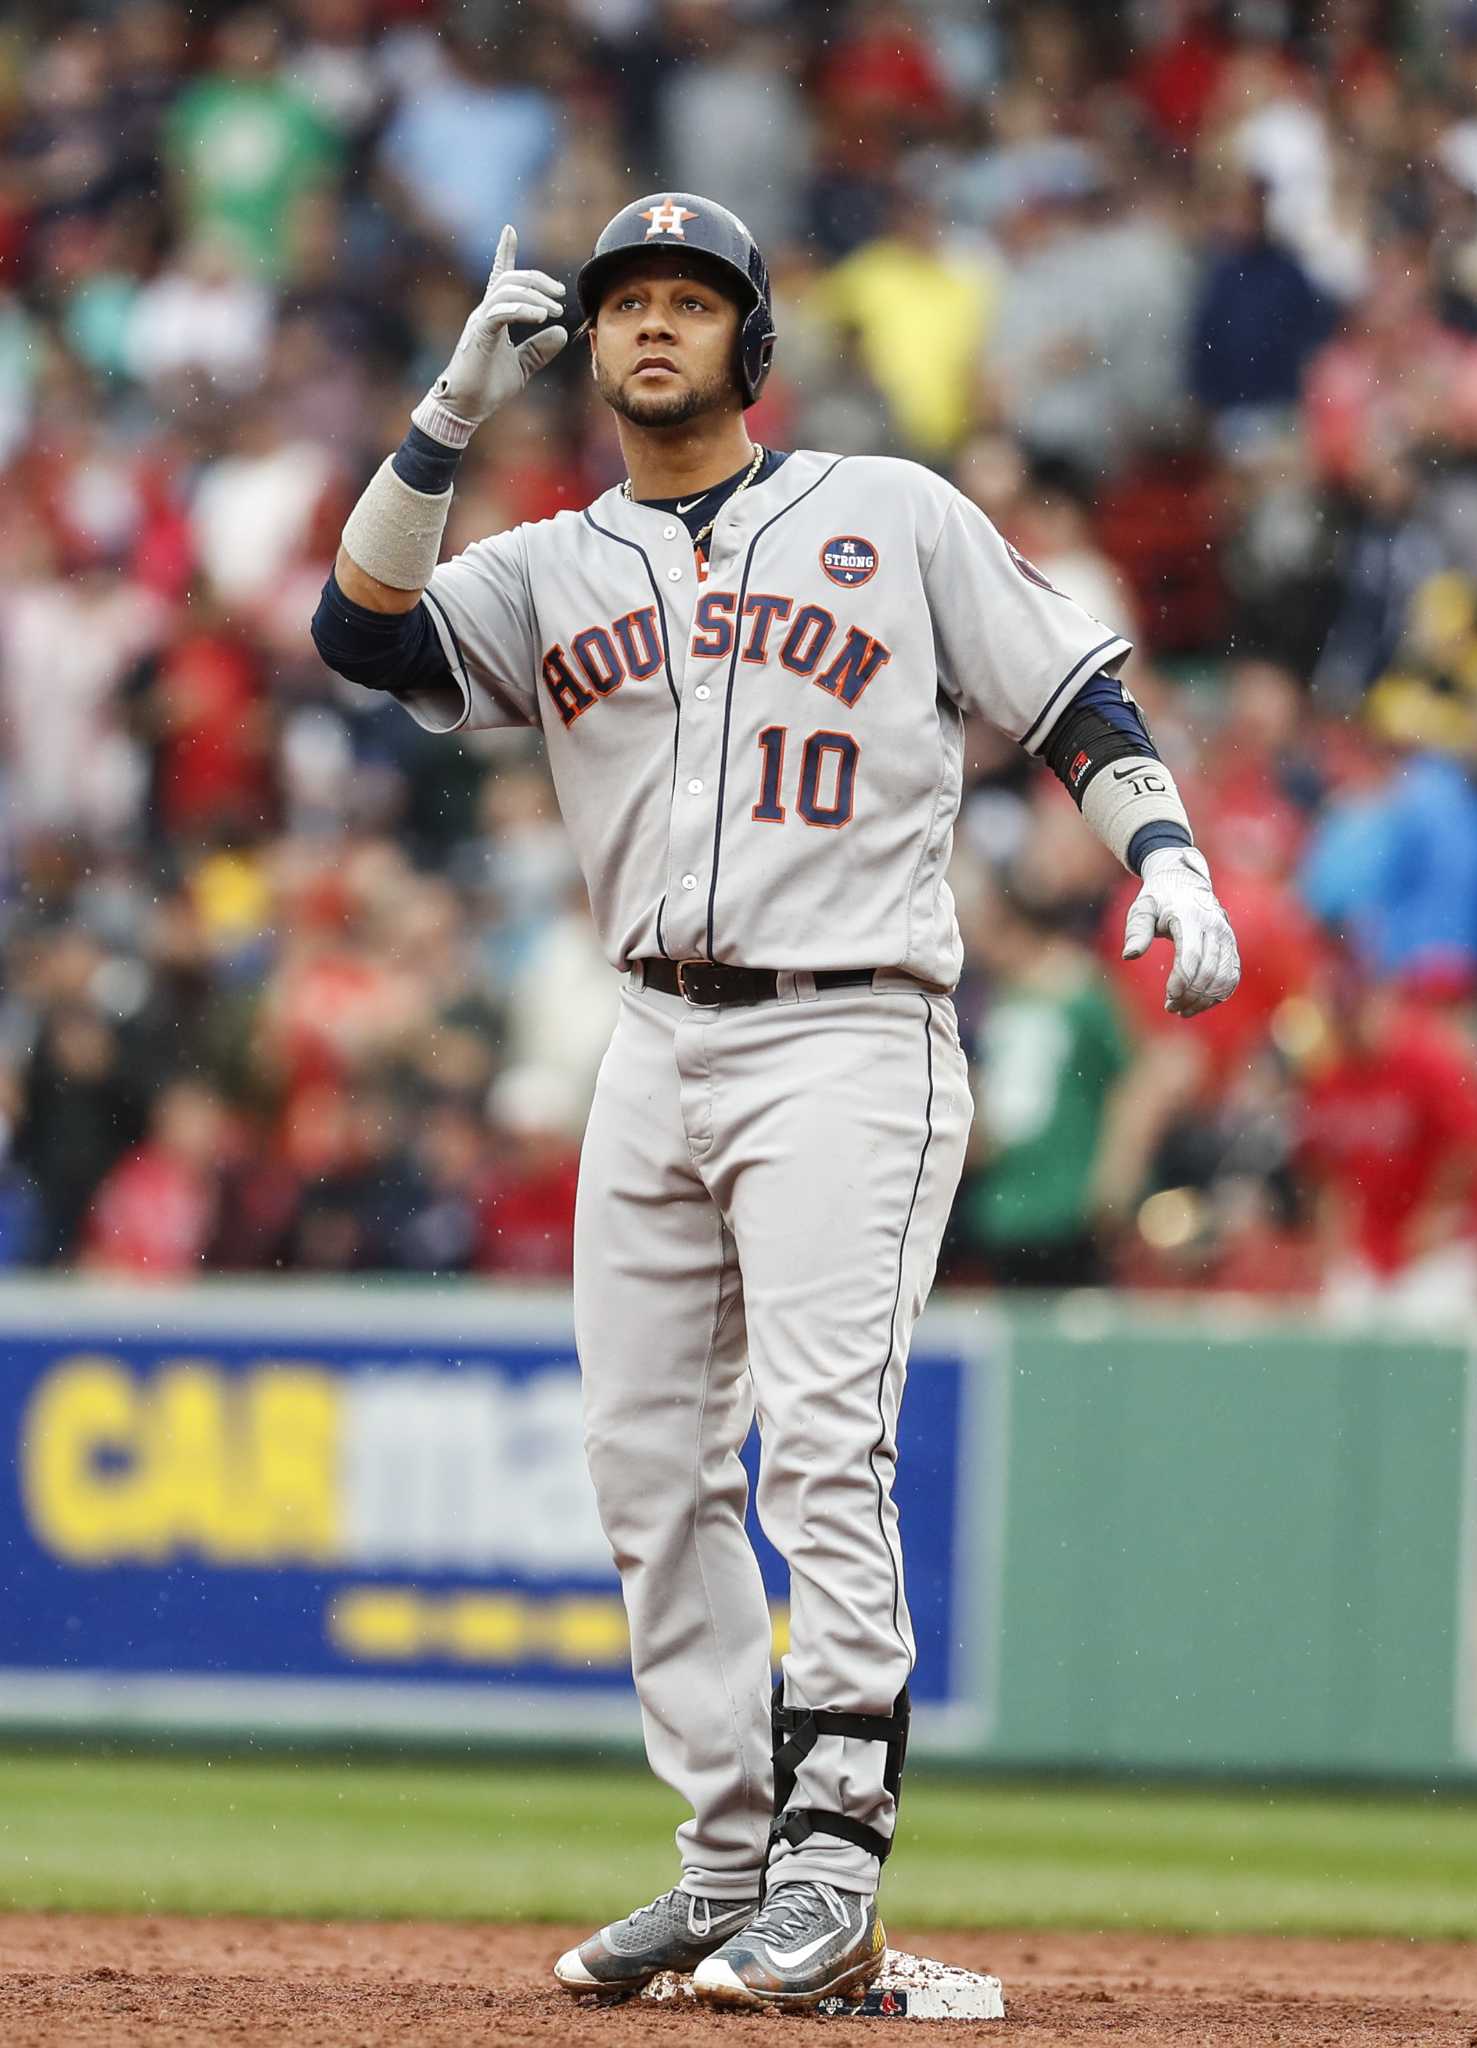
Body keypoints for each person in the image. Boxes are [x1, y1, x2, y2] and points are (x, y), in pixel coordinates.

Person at [310, 193, 1240, 2010]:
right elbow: (362, 637)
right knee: (644, 1466)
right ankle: (727, 1864)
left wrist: (1175, 861)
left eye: (691, 300)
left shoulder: (888, 512)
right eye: (626, 303)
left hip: (851, 1026)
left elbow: (1072, 696)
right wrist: (441, 412)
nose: (654, 326)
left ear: (754, 344)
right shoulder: (547, 562)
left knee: (823, 1438)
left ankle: (834, 1851)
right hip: (650, 1038)